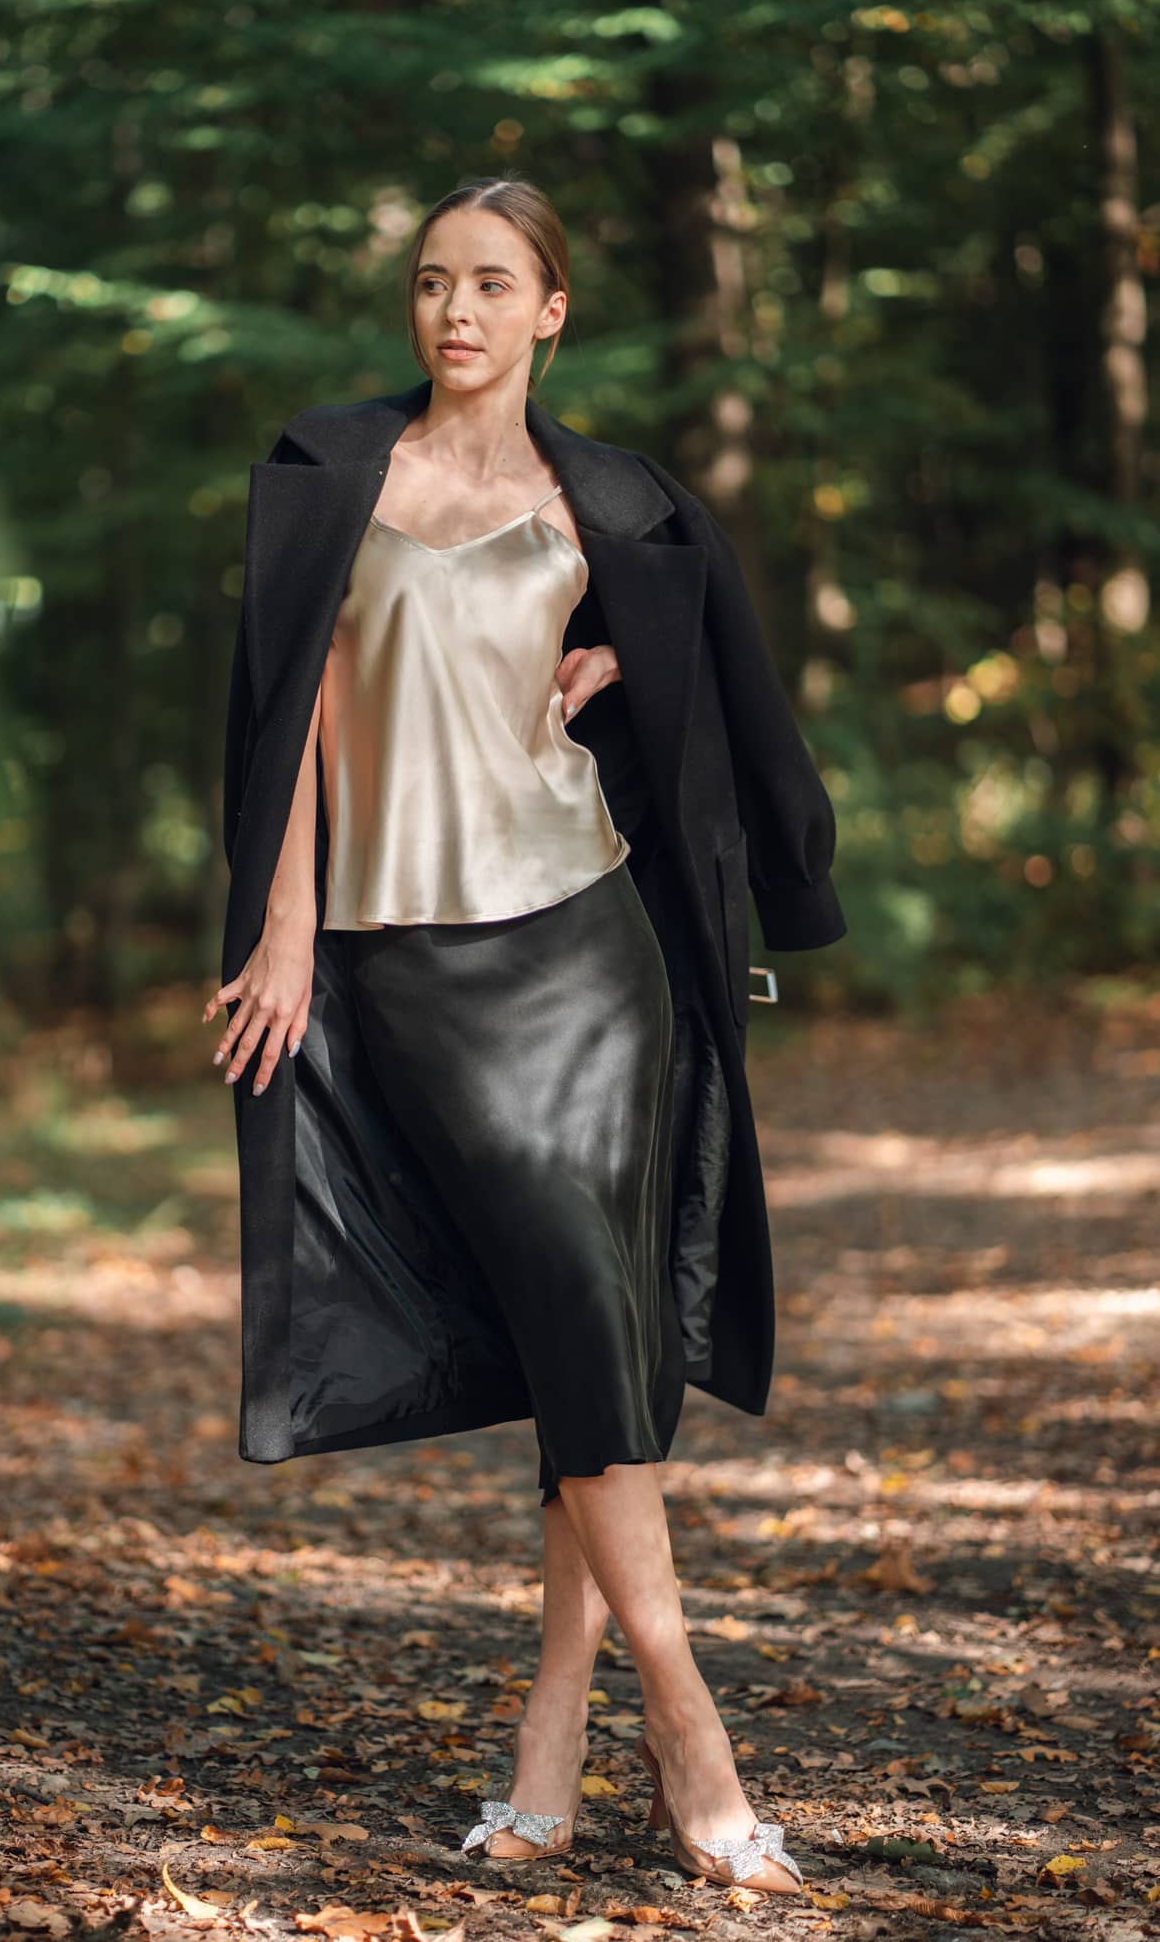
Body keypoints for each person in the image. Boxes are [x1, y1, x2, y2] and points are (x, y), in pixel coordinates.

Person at [206, 176, 844, 1896]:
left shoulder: (611, 503)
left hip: (586, 947)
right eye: (430, 283)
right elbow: (292, 723)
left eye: (492, 284)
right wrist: (278, 930)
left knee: (592, 1324)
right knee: (574, 1317)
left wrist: (627, 674)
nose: (455, 311)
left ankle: (568, 1746)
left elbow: (728, 698)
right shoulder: (331, 476)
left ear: (551, 310)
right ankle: (683, 1727)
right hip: (399, 959)